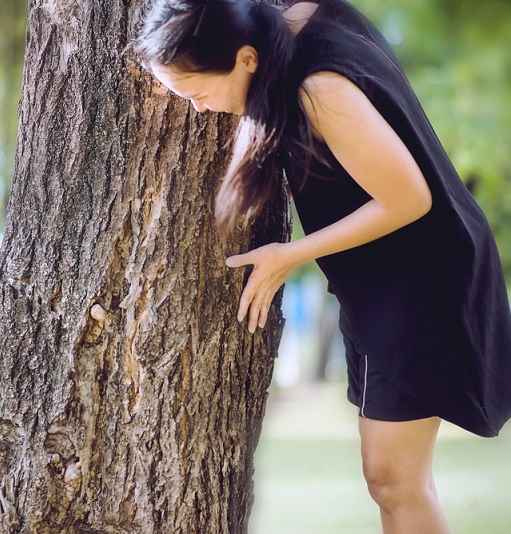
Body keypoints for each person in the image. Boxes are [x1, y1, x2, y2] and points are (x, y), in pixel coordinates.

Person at [136, 0, 511, 532]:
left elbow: (409, 199)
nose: (199, 110)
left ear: (245, 59)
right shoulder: (289, 25)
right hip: (379, 279)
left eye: (198, 94)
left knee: (393, 479)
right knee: (394, 481)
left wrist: (289, 254)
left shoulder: (318, 89)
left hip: (421, 281)